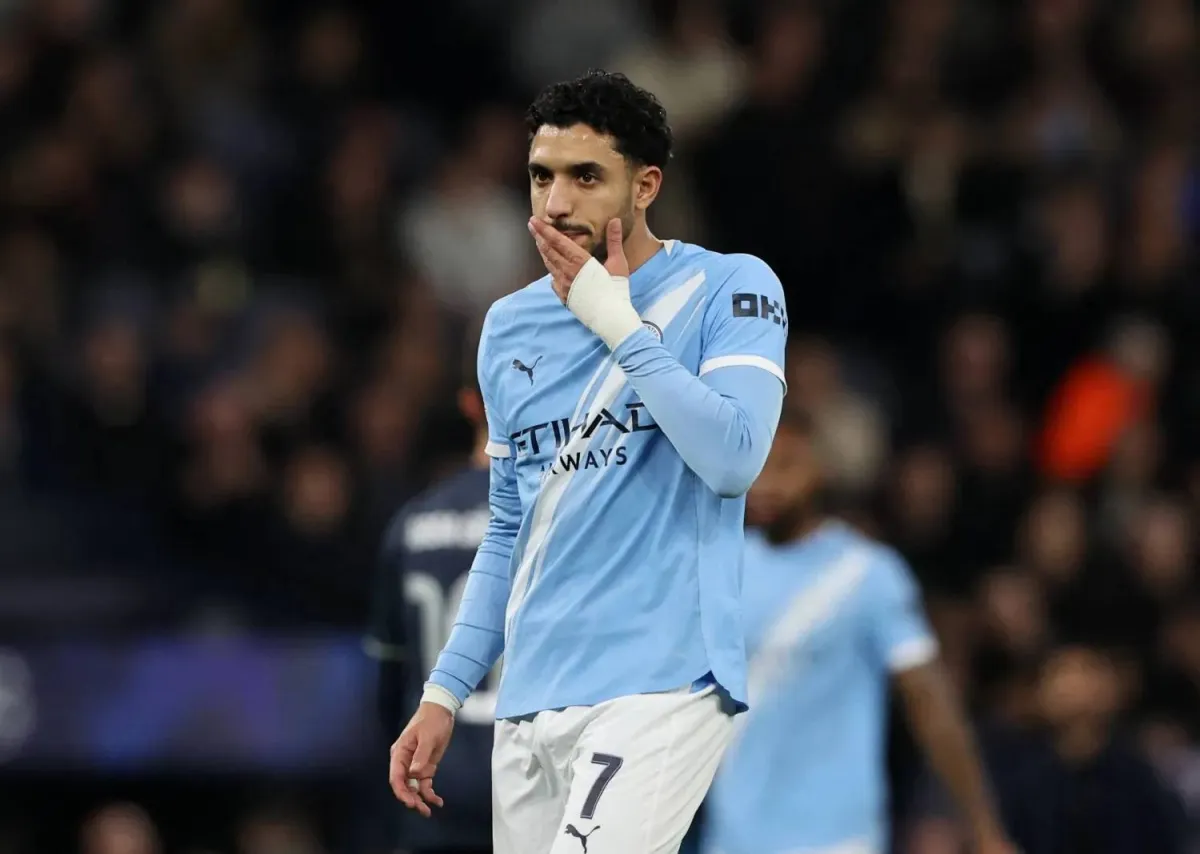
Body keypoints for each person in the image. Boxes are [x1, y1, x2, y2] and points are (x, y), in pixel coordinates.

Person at [388, 69, 789, 854]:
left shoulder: (727, 286)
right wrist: (445, 690)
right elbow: (510, 529)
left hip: (662, 681)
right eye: (541, 177)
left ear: (646, 185)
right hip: (530, 696)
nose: (555, 202)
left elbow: (734, 458)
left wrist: (620, 326)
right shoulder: (507, 326)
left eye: (585, 176)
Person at [703, 410, 1018, 854]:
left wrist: (984, 828)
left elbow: (930, 702)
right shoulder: (719, 566)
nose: (767, 482)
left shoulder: (867, 574)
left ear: (821, 468)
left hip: (836, 838)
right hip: (732, 839)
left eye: (786, 464)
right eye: (758, 465)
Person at [367, 341, 495, 854]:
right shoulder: (556, 517)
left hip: (431, 786)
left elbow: (386, 681)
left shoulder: (411, 523)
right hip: (531, 783)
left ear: (469, 404)